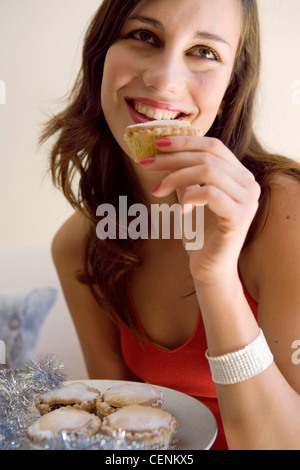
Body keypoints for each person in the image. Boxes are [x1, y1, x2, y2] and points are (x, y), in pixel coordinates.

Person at [41, 0, 300, 450]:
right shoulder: (81, 244)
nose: (164, 79)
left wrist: (216, 277)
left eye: (204, 52)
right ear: (101, 54)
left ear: (229, 91)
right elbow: (120, 438)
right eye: (144, 36)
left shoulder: (285, 216)